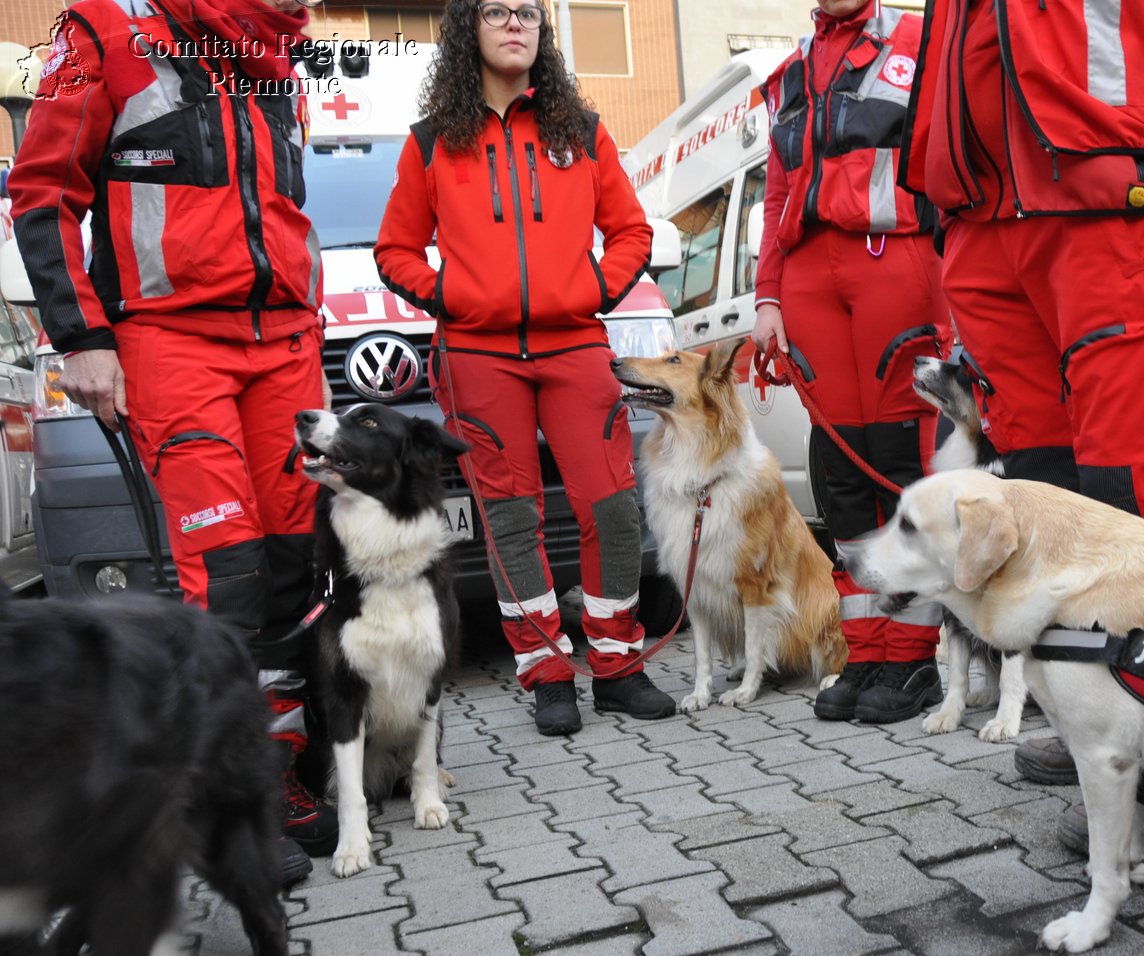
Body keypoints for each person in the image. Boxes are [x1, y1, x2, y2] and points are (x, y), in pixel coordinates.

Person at [899, 0, 1144, 815]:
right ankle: (1104, 732)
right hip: (990, 220)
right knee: (1048, 496)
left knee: (1131, 479)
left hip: (1111, 200)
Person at [9, 0, 339, 881]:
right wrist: (81, 338)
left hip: (286, 343)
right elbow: (41, 193)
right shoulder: (105, 33)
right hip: (172, 340)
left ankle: (275, 769)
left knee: (293, 563)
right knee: (224, 568)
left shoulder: (273, 48)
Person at [375, 0, 673, 736]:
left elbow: (631, 231)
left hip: (574, 347)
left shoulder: (581, 131)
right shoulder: (432, 142)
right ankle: (546, 672)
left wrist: (596, 289)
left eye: (531, 13)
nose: (517, 24)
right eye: (499, 12)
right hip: (478, 355)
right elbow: (396, 251)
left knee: (613, 507)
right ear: (467, 30)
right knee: (511, 518)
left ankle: (617, 665)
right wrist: (455, 296)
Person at [751, 0, 947, 726]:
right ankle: (864, 648)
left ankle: (913, 652)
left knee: (899, 459)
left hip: (894, 262)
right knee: (840, 468)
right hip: (808, 280)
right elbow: (776, 199)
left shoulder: (918, 39)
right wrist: (766, 297)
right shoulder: (787, 76)